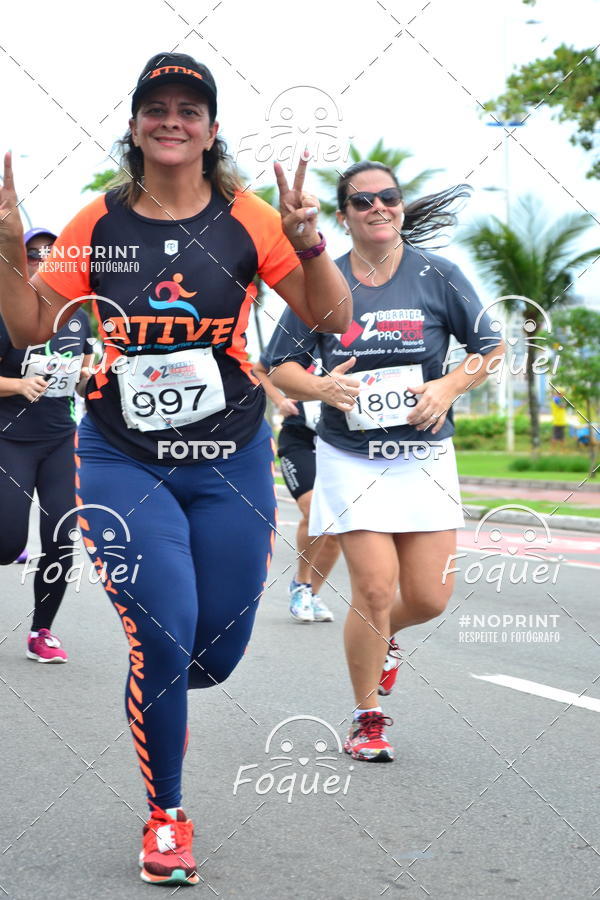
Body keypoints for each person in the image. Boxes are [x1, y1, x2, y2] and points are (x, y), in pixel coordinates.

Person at [0, 53, 350, 884]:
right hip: (121, 458)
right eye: (155, 107)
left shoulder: (251, 219)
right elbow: (28, 329)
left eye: (188, 109)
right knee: (161, 635)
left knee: (214, 650)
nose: (171, 120)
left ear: (211, 128)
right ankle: (167, 819)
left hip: (229, 456)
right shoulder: (97, 224)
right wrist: (10, 249)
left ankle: (164, 693)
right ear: (133, 125)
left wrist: (311, 246)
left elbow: (328, 316)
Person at [266, 161, 505, 763]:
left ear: (400, 206)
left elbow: (490, 348)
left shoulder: (438, 275)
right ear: (343, 215)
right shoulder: (322, 279)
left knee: (427, 597)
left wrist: (447, 388)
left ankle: (386, 638)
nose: (379, 208)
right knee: (373, 589)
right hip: (351, 456)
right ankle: (366, 716)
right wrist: (323, 389)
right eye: (363, 201)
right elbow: (281, 366)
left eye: (388, 198)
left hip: (424, 455)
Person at [0, 227, 92, 661]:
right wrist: (17, 385)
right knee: (6, 543)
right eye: (32, 254)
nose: (41, 260)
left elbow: (84, 370)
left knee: (61, 536)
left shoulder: (78, 316)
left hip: (60, 438)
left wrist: (92, 380)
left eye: (49, 255)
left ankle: (42, 631)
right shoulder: (5, 311)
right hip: (10, 439)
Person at [253, 354, 339, 623]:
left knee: (335, 526)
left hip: (341, 443)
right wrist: (279, 400)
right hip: (300, 440)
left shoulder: (357, 339)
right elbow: (259, 369)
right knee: (314, 508)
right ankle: (301, 584)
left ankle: (312, 593)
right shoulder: (301, 338)